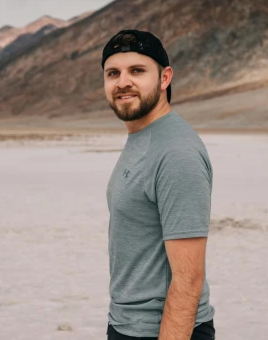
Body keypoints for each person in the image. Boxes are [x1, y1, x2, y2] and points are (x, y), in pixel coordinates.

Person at [102, 29, 215, 340]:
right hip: (127, 324)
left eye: (137, 71)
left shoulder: (176, 153)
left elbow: (188, 279)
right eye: (113, 73)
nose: (123, 81)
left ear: (165, 78)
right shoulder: (143, 137)